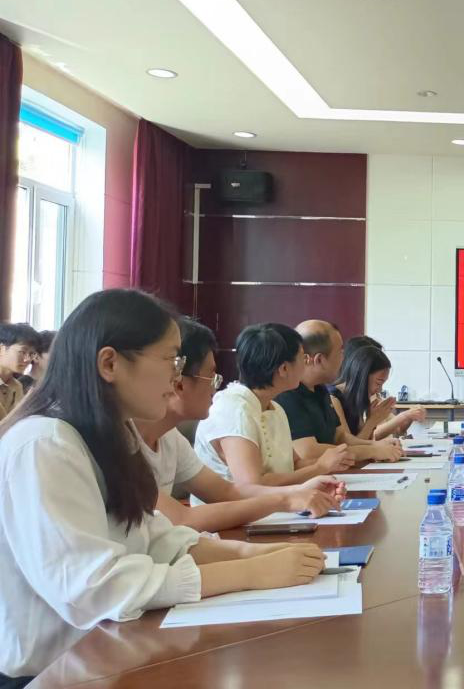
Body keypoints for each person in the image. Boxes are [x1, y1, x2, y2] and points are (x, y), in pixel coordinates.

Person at [0, 289, 327, 683]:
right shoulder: (45, 444)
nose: (176, 379)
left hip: (109, 651)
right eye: (172, 360)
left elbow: (152, 536)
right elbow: (93, 587)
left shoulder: (111, 434)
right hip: (51, 673)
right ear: (110, 363)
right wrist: (251, 572)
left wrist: (248, 553)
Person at [134, 317, 344, 532]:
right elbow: (184, 518)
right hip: (224, 530)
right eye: (211, 376)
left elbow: (227, 492)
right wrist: (290, 496)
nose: (215, 388)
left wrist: (298, 492)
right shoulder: (232, 408)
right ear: (178, 382)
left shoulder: (171, 438)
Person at [194, 323, 354, 487]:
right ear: (284, 369)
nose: (307, 363)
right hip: (236, 504)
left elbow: (294, 465)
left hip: (275, 501)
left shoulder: (275, 409)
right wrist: (320, 467)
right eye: (303, 358)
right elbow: (253, 485)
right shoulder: (233, 410)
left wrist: (330, 462)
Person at [274, 320, 402, 462]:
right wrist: (371, 450)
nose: (344, 359)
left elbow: (340, 437)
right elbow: (308, 452)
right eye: (340, 352)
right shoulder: (288, 393)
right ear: (319, 360)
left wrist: (376, 445)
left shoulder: (320, 389)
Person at [331, 345, 427, 441]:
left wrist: (371, 422)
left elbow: (367, 442)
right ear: (362, 377)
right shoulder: (334, 399)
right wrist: (372, 421)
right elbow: (350, 446)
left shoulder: (355, 399)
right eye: (378, 383)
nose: (380, 390)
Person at [0, 323, 40, 420]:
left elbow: (19, 424)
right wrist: (24, 404)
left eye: (31, 354)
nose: (27, 359)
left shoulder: (17, 386)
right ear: (1, 349)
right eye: (22, 352)